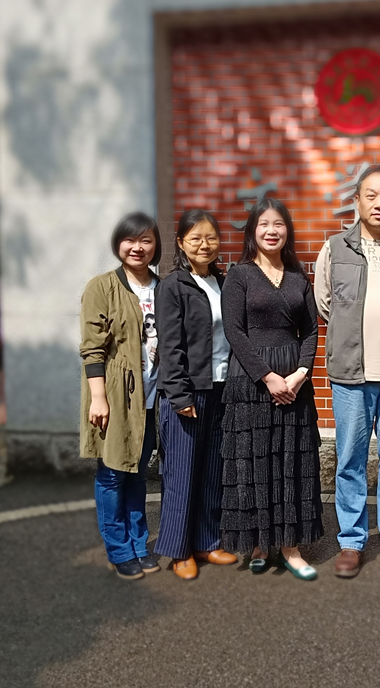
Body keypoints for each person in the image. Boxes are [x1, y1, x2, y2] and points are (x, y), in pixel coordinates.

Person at [314, 165, 380, 580]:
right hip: (350, 374)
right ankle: (351, 541)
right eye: (372, 195)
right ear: (357, 200)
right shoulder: (335, 247)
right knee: (350, 461)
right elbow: (325, 303)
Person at [219, 198, 323, 581]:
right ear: (252, 230)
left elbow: (311, 330)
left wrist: (300, 373)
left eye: (278, 224)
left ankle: (291, 547)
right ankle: (260, 544)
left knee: (291, 463)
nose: (271, 230)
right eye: (264, 224)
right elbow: (234, 331)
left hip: (294, 383)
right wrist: (267, 376)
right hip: (251, 383)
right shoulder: (239, 275)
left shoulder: (298, 277)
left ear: (287, 231)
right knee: (255, 462)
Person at [153, 209, 238, 580]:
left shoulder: (223, 282)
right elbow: (170, 346)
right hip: (187, 393)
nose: (205, 245)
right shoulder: (173, 286)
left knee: (211, 470)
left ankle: (207, 541)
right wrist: (179, 394)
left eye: (211, 237)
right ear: (181, 243)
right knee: (181, 473)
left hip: (220, 388)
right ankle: (179, 550)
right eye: (196, 238)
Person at [79, 212, 163, 581]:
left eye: (146, 240)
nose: (137, 247)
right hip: (115, 396)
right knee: (113, 473)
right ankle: (119, 549)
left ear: (156, 245)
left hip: (153, 397)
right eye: (130, 240)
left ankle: (139, 544)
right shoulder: (102, 286)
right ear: (118, 244)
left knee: (138, 473)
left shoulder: (163, 287)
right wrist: (98, 397)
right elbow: (92, 348)